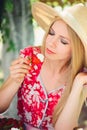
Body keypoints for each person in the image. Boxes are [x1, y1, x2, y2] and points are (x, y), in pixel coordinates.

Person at [0, 1, 87, 130]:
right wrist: (15, 80)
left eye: (63, 41)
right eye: (51, 33)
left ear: (77, 49)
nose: (51, 43)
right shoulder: (30, 57)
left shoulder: (80, 76)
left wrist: (78, 85)